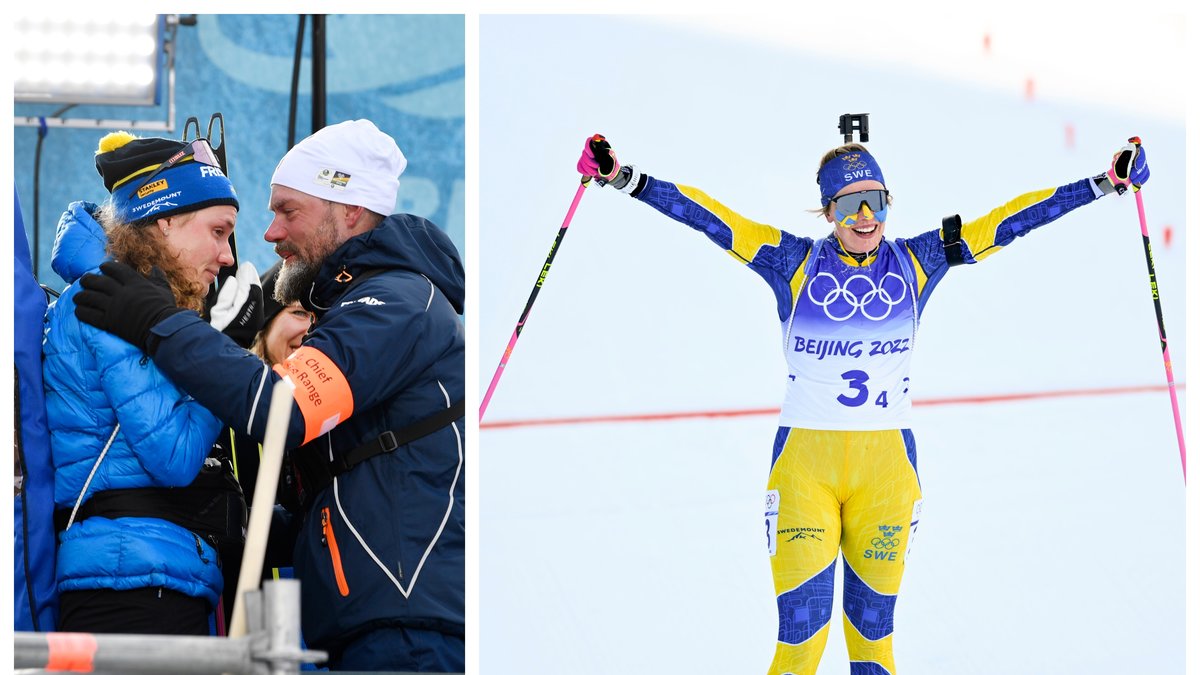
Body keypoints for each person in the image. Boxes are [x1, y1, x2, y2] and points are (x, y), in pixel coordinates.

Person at [575, 133, 1150, 675]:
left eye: (875, 201)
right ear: (827, 211)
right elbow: (710, 217)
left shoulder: (918, 260)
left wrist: (1103, 182)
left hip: (888, 479)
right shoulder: (790, 262)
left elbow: (1008, 222)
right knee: (800, 649)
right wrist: (625, 177)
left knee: (874, 652)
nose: (865, 218)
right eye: (848, 206)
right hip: (806, 476)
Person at [75, 119, 465, 672]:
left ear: (349, 210)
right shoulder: (361, 304)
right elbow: (351, 492)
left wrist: (159, 322)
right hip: (370, 618)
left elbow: (284, 409)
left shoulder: (399, 301)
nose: (270, 234)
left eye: (288, 211)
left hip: (408, 625)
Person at [42, 131, 244, 635]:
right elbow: (173, 456)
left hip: (150, 569)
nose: (228, 257)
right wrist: (229, 357)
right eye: (218, 231)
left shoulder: (133, 300)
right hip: (128, 584)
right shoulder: (109, 301)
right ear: (165, 220)